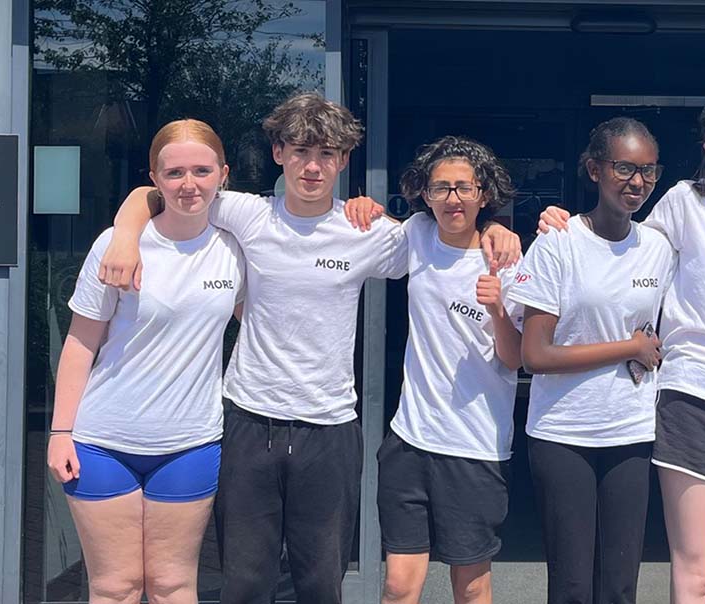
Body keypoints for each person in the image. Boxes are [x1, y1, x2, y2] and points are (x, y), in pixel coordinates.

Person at [97, 93, 521, 604]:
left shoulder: (368, 231)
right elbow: (161, 192)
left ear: (344, 160)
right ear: (279, 153)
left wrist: (497, 227)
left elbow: (450, 229)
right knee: (245, 583)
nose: (312, 166)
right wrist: (125, 234)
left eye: (326, 154)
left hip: (330, 428)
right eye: (300, 151)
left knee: (321, 584)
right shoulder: (247, 214)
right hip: (249, 419)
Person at [540, 87, 705, 604]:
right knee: (695, 575)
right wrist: (561, 224)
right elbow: (622, 247)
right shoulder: (685, 202)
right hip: (688, 400)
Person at [47, 118, 244, 604]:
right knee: (115, 587)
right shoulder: (117, 246)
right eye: (174, 173)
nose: (189, 184)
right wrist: (59, 431)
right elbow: (80, 342)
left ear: (223, 174)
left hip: (189, 443)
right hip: (103, 441)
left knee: (172, 585)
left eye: (201, 171)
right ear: (154, 179)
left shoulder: (236, 249)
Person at [345, 136, 523, 604]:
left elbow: (516, 358)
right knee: (398, 586)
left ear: (484, 193)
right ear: (425, 194)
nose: (452, 198)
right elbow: (376, 228)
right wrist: (361, 205)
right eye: (441, 187)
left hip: (474, 447)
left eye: (464, 187)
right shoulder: (418, 234)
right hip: (410, 442)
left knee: (472, 587)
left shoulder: (507, 262)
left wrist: (498, 309)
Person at [509, 117, 673, 604]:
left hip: (631, 430)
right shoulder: (558, 243)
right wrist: (630, 348)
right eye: (624, 168)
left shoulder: (658, 248)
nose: (637, 181)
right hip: (564, 432)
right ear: (595, 169)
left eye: (648, 170)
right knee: (573, 586)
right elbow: (535, 355)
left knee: (620, 586)